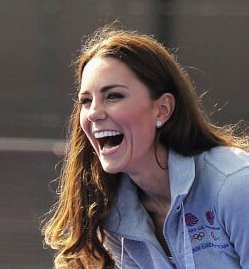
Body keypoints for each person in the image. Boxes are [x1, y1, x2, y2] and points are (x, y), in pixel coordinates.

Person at [42, 25, 249, 269]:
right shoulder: (114, 214)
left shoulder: (236, 185)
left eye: (113, 96)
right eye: (86, 101)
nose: (94, 113)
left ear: (162, 109)